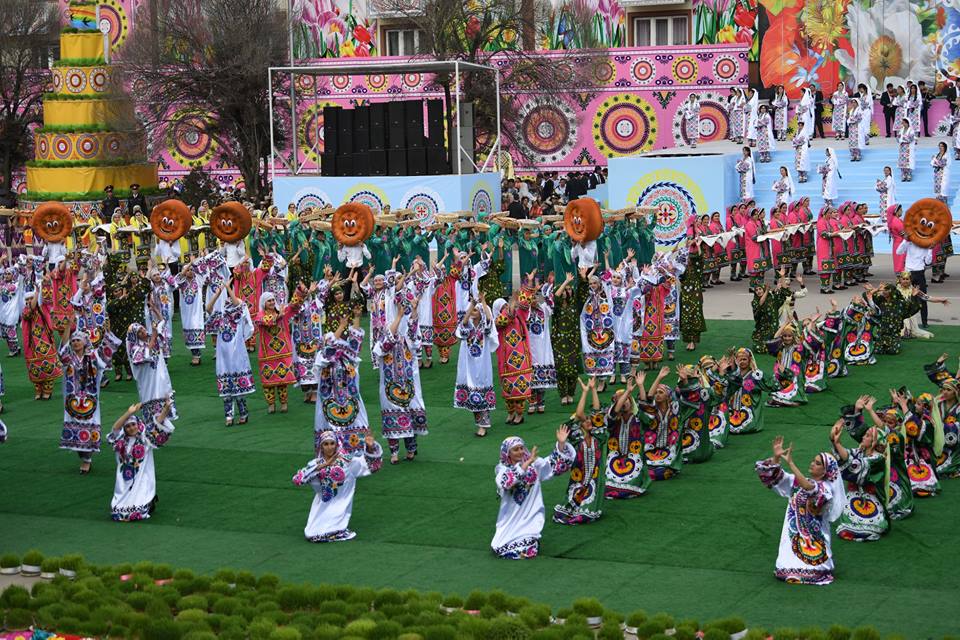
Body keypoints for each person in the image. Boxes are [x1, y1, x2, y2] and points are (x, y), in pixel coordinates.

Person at [756, 435, 844, 584]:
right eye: (813, 461)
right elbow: (772, 476)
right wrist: (776, 458)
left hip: (814, 537)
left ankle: (813, 571)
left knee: (814, 564)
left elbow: (810, 489)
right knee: (785, 571)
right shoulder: (797, 482)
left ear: (825, 471)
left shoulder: (826, 489)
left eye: (817, 463)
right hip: (794, 533)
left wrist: (791, 464)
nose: (812, 464)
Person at [491, 427, 574, 559]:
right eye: (515, 449)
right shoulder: (502, 469)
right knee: (503, 546)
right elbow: (506, 482)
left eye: (521, 448)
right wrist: (527, 463)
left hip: (531, 513)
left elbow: (552, 466)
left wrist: (561, 444)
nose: (520, 452)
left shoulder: (534, 464)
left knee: (529, 547)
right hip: (512, 514)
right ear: (508, 453)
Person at [292, 430, 382, 543]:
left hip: (340, 504)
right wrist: (323, 466)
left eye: (332, 443)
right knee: (311, 534)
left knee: (321, 533)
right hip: (321, 505)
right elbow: (297, 480)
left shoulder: (346, 462)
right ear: (321, 446)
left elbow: (371, 466)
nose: (329, 447)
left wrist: (370, 448)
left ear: (336, 444)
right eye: (326, 444)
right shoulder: (316, 463)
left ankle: (337, 529)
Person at [58, 323, 122, 474]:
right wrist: (67, 328)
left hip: (90, 401)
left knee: (89, 427)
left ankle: (87, 460)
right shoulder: (69, 358)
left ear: (85, 342)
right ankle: (83, 456)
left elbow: (106, 352)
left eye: (78, 340)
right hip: (72, 401)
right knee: (75, 432)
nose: (75, 343)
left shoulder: (93, 357)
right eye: (73, 341)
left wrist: (107, 334)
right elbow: (62, 352)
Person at [373, 293, 428, 464]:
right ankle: (394, 453)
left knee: (411, 413)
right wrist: (397, 316)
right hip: (390, 386)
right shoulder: (382, 339)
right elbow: (384, 346)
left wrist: (414, 310)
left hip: (408, 384)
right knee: (392, 415)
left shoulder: (407, 340)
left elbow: (414, 332)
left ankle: (411, 449)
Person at [106, 398, 175, 522]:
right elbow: (115, 428)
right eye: (128, 426)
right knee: (118, 511)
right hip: (123, 481)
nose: (131, 428)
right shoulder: (119, 441)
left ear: (138, 425)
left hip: (141, 479)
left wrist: (166, 409)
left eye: (133, 424)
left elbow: (157, 424)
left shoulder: (145, 439)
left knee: (136, 511)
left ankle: (149, 502)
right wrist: (129, 413)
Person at [553, 378, 606, 524]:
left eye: (590, 420)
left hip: (595, 479)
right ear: (580, 426)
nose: (589, 421)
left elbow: (597, 412)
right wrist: (584, 392)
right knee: (565, 511)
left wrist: (593, 390)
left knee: (586, 514)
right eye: (585, 420)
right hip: (578, 479)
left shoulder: (599, 437)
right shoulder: (577, 438)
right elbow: (578, 414)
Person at [830, 415, 889, 542]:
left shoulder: (878, 459)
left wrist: (837, 443)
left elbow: (855, 465)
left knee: (874, 525)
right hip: (854, 494)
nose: (863, 437)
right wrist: (835, 440)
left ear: (874, 442)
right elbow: (846, 455)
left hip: (871, 497)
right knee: (845, 527)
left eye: (867, 436)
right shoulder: (860, 451)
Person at [205, 280, 256, 426]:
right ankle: (228, 415)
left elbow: (238, 304)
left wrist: (228, 288)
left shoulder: (238, 316)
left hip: (237, 355)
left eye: (231, 299)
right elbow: (208, 308)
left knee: (239, 388)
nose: (229, 301)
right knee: (226, 386)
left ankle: (243, 413)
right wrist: (217, 293)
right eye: (227, 300)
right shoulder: (220, 317)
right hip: (223, 357)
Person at [455, 295, 498, 437]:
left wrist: (483, 302)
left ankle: (483, 425)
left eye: (475, 310)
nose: (472, 312)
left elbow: (490, 320)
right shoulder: (467, 326)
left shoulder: (485, 328)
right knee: (471, 393)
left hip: (482, 365)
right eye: (471, 310)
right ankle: (479, 423)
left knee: (482, 389)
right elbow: (463, 324)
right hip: (468, 365)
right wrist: (472, 304)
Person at [896, 234, 932, 328]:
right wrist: (905, 240)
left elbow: (928, 262)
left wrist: (930, 249)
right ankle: (902, 321)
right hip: (908, 274)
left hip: (920, 273)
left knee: (923, 298)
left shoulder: (925, 245)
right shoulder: (909, 242)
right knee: (903, 297)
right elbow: (898, 252)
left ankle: (924, 322)